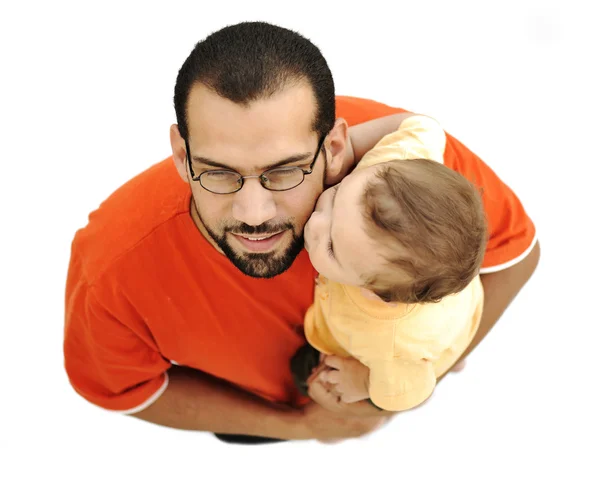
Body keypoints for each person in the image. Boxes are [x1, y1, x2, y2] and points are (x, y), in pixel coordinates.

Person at [63, 21, 540, 444]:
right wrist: (303, 426)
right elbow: (125, 390)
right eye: (220, 173)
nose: (253, 213)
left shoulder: (402, 179)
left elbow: (517, 254)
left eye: (286, 171)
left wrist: (421, 367)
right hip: (264, 415)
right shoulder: (107, 271)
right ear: (182, 156)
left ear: (335, 146)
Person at [291, 114, 487, 412]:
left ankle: (448, 357)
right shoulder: (391, 170)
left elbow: (411, 393)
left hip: (409, 355)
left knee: (301, 371)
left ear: (376, 293)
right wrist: (351, 146)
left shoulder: (389, 341)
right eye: (336, 196)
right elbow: (424, 125)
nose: (315, 223)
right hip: (453, 300)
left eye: (331, 247)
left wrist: (363, 383)